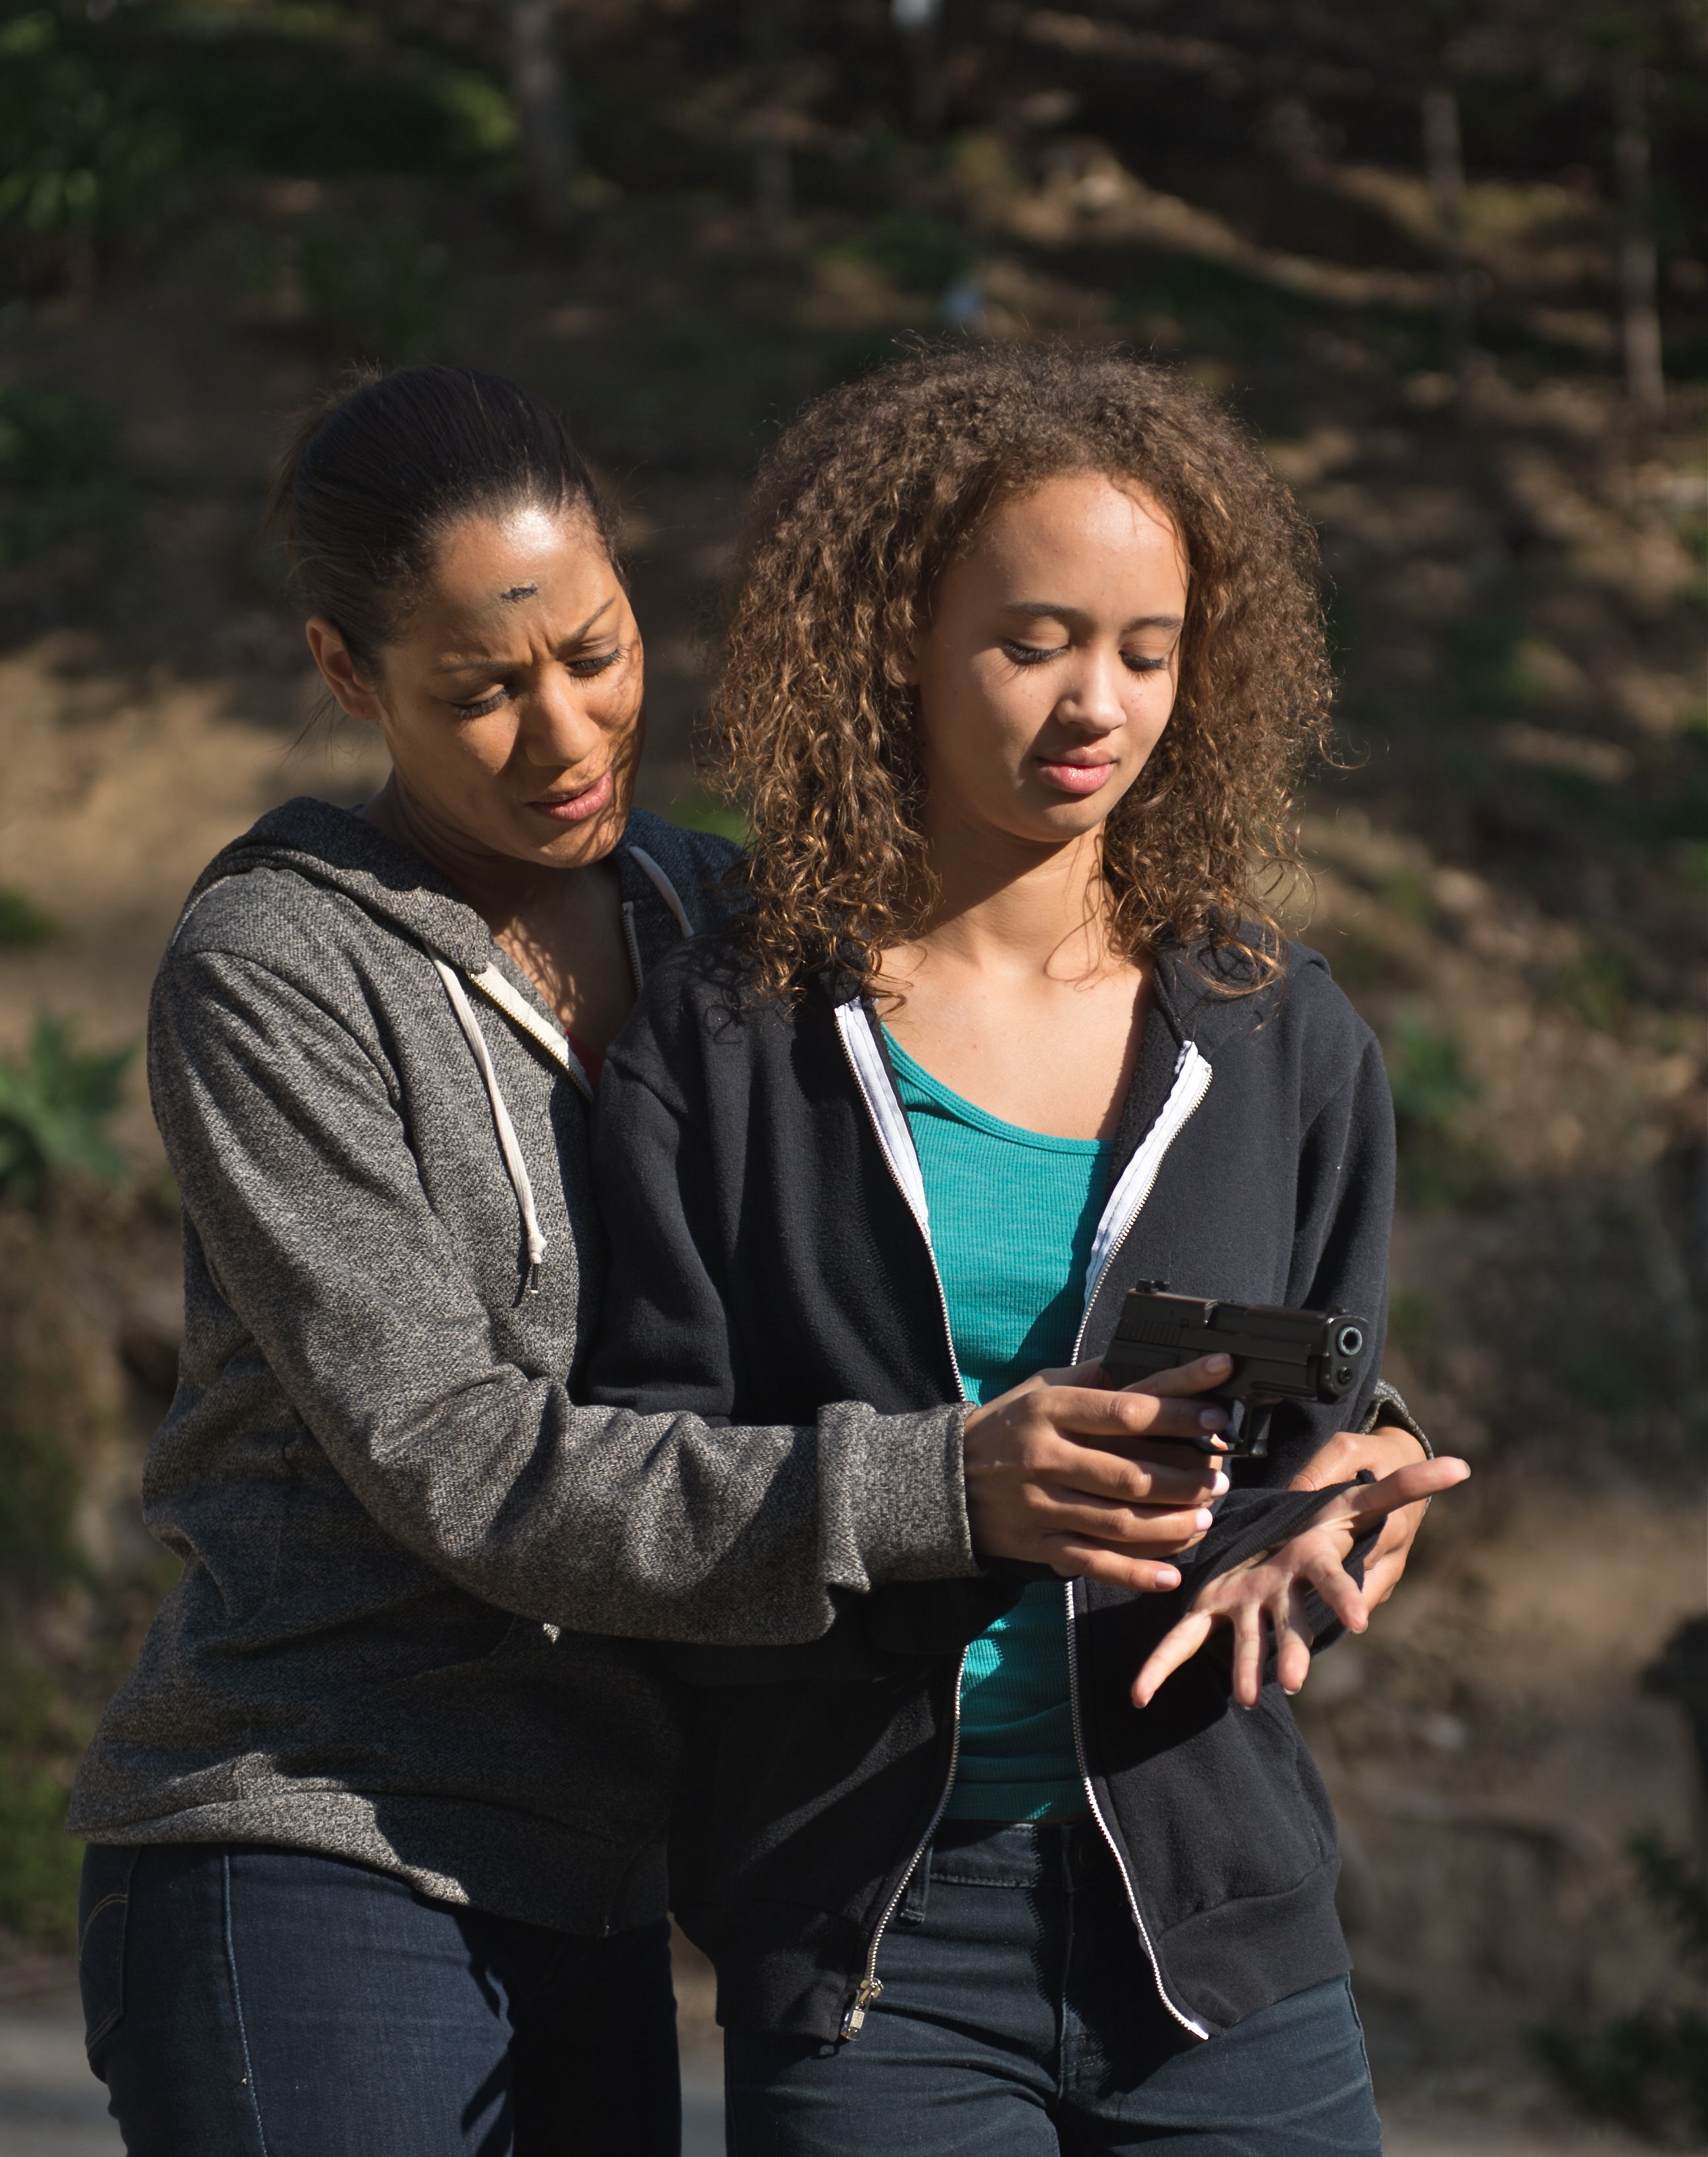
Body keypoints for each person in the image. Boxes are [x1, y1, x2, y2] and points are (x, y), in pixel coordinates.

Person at [67, 363, 1273, 2157]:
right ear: (346, 675)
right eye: (480, 690)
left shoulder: (727, 921)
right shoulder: (279, 971)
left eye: (596, 653)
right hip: (319, 1833)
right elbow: (457, 1458)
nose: (562, 735)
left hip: (612, 1871)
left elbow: (984, 1248)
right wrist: (937, 1484)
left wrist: (1322, 1420)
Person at [586, 342, 1469, 2154]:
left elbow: (1317, 1408)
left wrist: (1348, 1495)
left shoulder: (1277, 1032)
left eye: (1147, 653)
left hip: (1219, 1932)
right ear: (895, 639)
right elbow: (627, 1487)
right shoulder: (729, 1031)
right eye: (1034, 639)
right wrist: (939, 1490)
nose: (1098, 703)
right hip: (864, 1947)